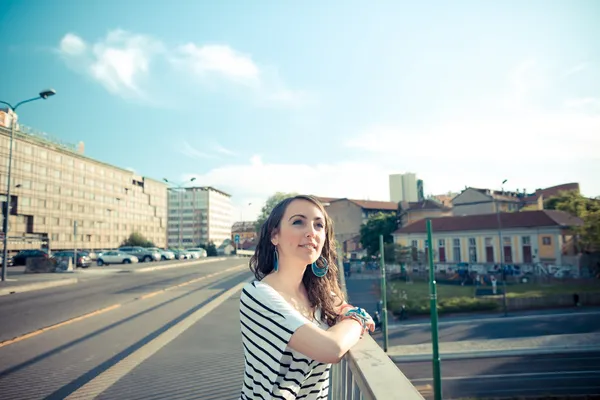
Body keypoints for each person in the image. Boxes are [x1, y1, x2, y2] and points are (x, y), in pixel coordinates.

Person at [239, 195, 375, 399]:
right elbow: (332, 348)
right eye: (298, 222)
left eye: (319, 225)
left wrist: (352, 315)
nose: (311, 232)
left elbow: (345, 309)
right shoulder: (257, 295)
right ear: (274, 235)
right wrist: (359, 318)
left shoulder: (319, 294)